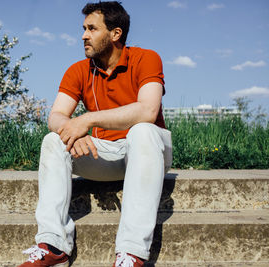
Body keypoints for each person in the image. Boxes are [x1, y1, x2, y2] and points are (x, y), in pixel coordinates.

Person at [18, 1, 172, 267]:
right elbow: (55, 117)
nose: (83, 35)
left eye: (92, 28)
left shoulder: (146, 58)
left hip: (147, 152)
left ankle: (131, 253)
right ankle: (53, 246)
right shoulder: (78, 69)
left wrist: (86, 120)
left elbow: (148, 110)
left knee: (144, 130)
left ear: (115, 34)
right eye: (83, 28)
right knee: (53, 139)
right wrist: (73, 134)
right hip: (104, 155)